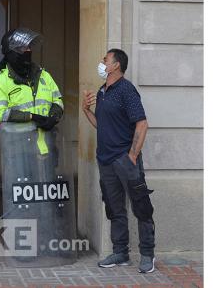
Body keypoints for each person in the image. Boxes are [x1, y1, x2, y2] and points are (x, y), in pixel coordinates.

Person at [82, 49, 156, 273]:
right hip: (105, 161)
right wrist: (86, 109)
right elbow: (100, 125)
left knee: (141, 207)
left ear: (115, 66)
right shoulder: (102, 91)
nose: (102, 62)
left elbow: (142, 124)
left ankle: (147, 255)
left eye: (105, 59)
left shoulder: (126, 90)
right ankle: (120, 253)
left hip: (125, 160)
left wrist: (132, 156)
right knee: (114, 209)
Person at [0, 28, 64, 142]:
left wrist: (54, 116)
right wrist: (32, 117)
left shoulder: (44, 75)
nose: (28, 51)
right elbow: (2, 114)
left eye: (29, 47)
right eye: (24, 48)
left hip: (47, 145)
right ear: (11, 52)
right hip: (20, 148)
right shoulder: (0, 80)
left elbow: (58, 100)